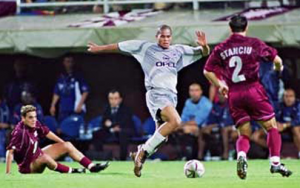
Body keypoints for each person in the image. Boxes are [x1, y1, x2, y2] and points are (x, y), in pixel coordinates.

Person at [87, 24, 210, 177]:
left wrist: (204, 46)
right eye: (162, 36)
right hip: (156, 94)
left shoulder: (179, 51)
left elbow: (203, 53)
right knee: (175, 121)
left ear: (171, 37)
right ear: (157, 36)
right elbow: (120, 46)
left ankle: (140, 153)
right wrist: (99, 49)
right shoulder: (145, 48)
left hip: (171, 96)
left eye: (168, 36)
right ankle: (143, 152)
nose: (165, 39)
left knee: (161, 138)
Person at [203, 15, 292, 179]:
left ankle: (242, 156)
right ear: (246, 27)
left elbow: (207, 71)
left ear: (230, 29)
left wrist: (220, 85)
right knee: (271, 127)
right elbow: (277, 60)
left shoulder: (221, 48)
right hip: (253, 90)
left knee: (243, 133)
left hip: (234, 93)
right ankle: (275, 163)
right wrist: (277, 69)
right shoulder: (254, 43)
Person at [6, 105, 109, 174]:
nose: (34, 120)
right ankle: (73, 171)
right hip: (28, 167)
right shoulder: (19, 132)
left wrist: (63, 144)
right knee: (44, 157)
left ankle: (91, 167)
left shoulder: (35, 123)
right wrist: (8, 172)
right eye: (30, 117)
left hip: (37, 155)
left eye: (35, 117)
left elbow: (47, 133)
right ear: (23, 118)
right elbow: (9, 152)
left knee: (67, 144)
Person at [92, 89, 135, 160]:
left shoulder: (126, 109)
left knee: (123, 134)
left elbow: (125, 122)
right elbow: (103, 122)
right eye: (111, 98)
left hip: (123, 130)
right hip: (110, 130)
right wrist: (109, 126)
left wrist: (112, 125)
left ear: (120, 99)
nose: (113, 101)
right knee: (97, 134)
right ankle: (100, 157)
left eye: (115, 98)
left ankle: (122, 159)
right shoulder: (106, 108)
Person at [50, 55, 89, 122]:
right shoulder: (61, 77)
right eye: (67, 62)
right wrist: (53, 105)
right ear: (64, 63)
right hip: (63, 109)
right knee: (62, 128)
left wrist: (80, 105)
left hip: (75, 108)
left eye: (71, 62)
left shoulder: (78, 76)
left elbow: (85, 91)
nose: (69, 64)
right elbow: (57, 92)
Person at [180, 83, 212, 160]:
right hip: (190, 126)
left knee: (188, 129)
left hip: (206, 127)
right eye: (191, 90)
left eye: (196, 90)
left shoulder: (206, 104)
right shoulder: (188, 102)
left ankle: (196, 156)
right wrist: (181, 124)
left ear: (201, 92)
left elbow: (197, 122)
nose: (194, 93)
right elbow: (183, 119)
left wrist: (182, 125)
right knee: (175, 129)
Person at [204, 93, 237, 160]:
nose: (221, 96)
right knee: (203, 130)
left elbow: (234, 119)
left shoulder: (232, 104)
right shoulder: (215, 106)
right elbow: (211, 120)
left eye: (222, 94)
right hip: (219, 126)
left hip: (233, 126)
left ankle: (226, 154)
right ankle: (200, 156)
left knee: (225, 130)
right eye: (219, 94)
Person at [276, 89, 300, 158]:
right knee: (271, 129)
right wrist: (277, 124)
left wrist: (285, 125)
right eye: (286, 96)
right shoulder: (280, 105)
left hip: (294, 127)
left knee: (295, 128)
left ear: (295, 97)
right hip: (283, 128)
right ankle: (274, 153)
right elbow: (276, 117)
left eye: (291, 96)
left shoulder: (298, 105)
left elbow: (298, 120)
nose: (288, 99)